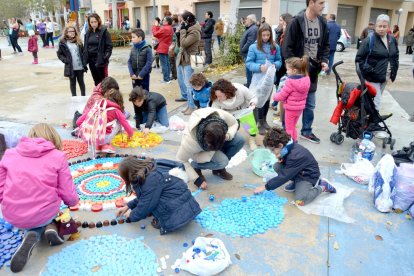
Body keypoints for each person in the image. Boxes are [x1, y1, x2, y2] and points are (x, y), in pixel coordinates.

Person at [0, 123, 79, 273]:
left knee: (35, 210)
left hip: (12, 215)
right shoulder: (58, 156)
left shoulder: (9, 153)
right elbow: (67, 191)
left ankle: (38, 228)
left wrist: (9, 204)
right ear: (54, 139)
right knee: (54, 211)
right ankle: (42, 230)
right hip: (44, 212)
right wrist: (73, 202)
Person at [282, 0, 330, 144]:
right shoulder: (296, 22)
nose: (323, 6)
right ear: (311, 3)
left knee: (310, 103)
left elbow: (326, 44)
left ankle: (306, 131)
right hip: (298, 70)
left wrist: (324, 60)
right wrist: (294, 68)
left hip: (313, 70)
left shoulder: (322, 22)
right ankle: (286, 132)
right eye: (321, 3)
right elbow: (287, 48)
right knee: (290, 103)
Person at [116, 156, 201, 234]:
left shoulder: (150, 180)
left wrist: (131, 216)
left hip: (178, 216)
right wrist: (128, 206)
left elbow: (146, 205)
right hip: (187, 207)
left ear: (129, 175)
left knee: (151, 204)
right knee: (152, 199)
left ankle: (163, 221)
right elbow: (146, 196)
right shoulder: (148, 170)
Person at [253, 127, 336, 205]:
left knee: (300, 200)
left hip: (308, 176)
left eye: (273, 150)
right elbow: (288, 166)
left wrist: (266, 187)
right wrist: (281, 157)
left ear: (280, 145)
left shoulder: (295, 156)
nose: (272, 152)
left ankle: (323, 186)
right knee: (277, 166)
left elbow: (284, 176)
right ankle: (296, 183)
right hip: (298, 171)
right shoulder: (288, 146)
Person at [176, 108, 245, 189]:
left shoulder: (221, 116)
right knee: (223, 161)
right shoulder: (190, 141)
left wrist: (228, 135)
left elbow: (234, 123)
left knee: (240, 140)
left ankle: (219, 169)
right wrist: (196, 180)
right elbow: (181, 159)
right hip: (199, 151)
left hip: (214, 141)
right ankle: (197, 167)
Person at [355, 14, 399, 113]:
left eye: (384, 26)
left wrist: (394, 70)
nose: (381, 29)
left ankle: (368, 120)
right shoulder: (369, 40)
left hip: (385, 76)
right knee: (377, 101)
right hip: (372, 77)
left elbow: (395, 56)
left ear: (388, 27)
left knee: (373, 100)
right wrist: (370, 71)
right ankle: (373, 122)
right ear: (376, 26)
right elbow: (359, 59)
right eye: (379, 26)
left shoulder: (392, 39)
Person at [246, 23, 282, 135]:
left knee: (266, 100)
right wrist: (258, 67)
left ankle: (263, 121)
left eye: (268, 35)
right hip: (257, 79)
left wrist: (275, 65)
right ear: (259, 35)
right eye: (264, 35)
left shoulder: (275, 47)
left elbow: (279, 60)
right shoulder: (253, 47)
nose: (266, 37)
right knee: (256, 100)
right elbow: (248, 63)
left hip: (269, 80)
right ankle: (256, 122)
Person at [77, 89, 133, 154]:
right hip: (104, 138)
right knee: (119, 121)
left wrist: (87, 130)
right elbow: (125, 124)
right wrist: (130, 134)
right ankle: (105, 145)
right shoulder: (115, 110)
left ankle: (98, 146)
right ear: (119, 101)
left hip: (90, 138)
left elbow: (78, 122)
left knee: (100, 125)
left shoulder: (96, 106)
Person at [210, 79, 258, 150]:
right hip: (229, 113)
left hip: (243, 111)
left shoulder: (240, 89)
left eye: (220, 96)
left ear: (227, 92)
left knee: (248, 126)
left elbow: (252, 97)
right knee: (232, 127)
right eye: (217, 96)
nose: (218, 98)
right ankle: (234, 140)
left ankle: (252, 140)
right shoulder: (216, 97)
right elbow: (214, 110)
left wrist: (252, 103)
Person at [273, 56, 310, 141]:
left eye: (288, 69)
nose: (286, 71)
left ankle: (291, 143)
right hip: (299, 108)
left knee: (288, 128)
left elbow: (282, 95)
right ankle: (295, 140)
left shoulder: (290, 82)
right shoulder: (307, 79)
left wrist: (275, 96)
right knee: (293, 126)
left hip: (290, 109)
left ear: (294, 70)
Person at [175, 11, 201, 115]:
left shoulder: (194, 31)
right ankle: (189, 104)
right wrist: (178, 34)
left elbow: (184, 43)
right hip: (183, 59)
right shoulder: (187, 29)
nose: (180, 22)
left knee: (189, 84)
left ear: (187, 19)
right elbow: (180, 44)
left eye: (181, 19)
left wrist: (182, 31)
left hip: (189, 59)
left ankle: (192, 106)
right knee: (186, 83)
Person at [57, 26, 88, 97]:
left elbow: (83, 53)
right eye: (70, 31)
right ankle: (74, 97)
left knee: (81, 82)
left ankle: (83, 97)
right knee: (72, 83)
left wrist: (84, 61)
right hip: (71, 67)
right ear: (66, 33)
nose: (72, 33)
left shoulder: (79, 42)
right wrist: (65, 60)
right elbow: (59, 54)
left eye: (73, 31)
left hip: (80, 67)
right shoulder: (63, 43)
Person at [83, 13, 113, 86]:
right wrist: (85, 59)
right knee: (96, 81)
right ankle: (98, 96)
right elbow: (85, 46)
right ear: (89, 23)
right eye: (91, 22)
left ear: (98, 21)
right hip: (91, 61)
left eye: (95, 21)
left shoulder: (103, 31)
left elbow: (109, 46)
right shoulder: (88, 32)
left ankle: (104, 96)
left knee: (103, 81)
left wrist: (105, 57)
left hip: (101, 60)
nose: (93, 24)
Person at [273, 13, 293, 122]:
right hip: (280, 65)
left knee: (283, 90)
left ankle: (282, 118)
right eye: (280, 21)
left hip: (286, 67)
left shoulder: (289, 36)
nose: (281, 23)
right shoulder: (280, 33)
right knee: (279, 86)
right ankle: (280, 112)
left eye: (282, 21)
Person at [152, 16, 174, 84]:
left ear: (167, 21)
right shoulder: (170, 28)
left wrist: (154, 26)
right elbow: (160, 32)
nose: (162, 21)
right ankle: (168, 78)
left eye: (164, 20)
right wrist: (157, 27)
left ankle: (166, 79)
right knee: (167, 63)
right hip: (167, 46)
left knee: (164, 64)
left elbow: (155, 34)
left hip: (162, 47)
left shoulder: (165, 28)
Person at [240, 14, 258, 87]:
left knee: (249, 70)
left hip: (248, 53)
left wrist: (243, 49)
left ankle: (250, 84)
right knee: (248, 70)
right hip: (247, 53)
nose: (245, 21)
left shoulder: (253, 29)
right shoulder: (250, 28)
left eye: (247, 19)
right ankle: (249, 83)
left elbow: (249, 42)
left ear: (250, 20)